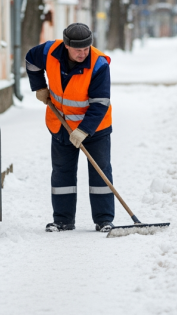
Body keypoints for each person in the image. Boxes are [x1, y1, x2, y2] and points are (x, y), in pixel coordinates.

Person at [25, 23, 115, 233]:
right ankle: (63, 220)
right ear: (66, 46)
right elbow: (31, 59)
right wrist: (39, 86)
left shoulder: (99, 64)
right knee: (62, 174)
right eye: (78, 50)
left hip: (95, 129)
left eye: (86, 49)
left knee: (100, 173)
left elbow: (100, 102)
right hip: (61, 125)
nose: (83, 53)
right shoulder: (49, 52)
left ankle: (104, 220)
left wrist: (84, 130)